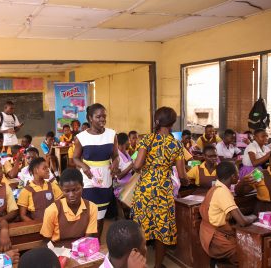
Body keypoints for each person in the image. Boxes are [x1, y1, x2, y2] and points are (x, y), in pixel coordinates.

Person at [131, 106, 188, 268]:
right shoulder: (176, 145)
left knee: (141, 229)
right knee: (161, 230)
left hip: (145, 189)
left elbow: (137, 165)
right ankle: (157, 266)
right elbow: (183, 175)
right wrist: (186, 182)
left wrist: (141, 167)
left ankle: (140, 265)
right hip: (163, 191)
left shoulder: (147, 139)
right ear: (172, 123)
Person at [73, 103, 119, 238]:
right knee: (89, 214)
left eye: (104, 116)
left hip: (105, 179)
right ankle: (86, 244)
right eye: (98, 117)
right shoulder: (81, 137)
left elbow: (115, 155)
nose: (102, 119)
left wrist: (115, 162)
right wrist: (84, 166)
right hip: (89, 179)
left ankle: (96, 246)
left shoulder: (112, 134)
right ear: (90, 118)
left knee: (100, 217)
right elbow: (75, 158)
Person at [199, 161, 257, 266]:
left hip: (211, 231)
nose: (239, 175)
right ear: (233, 176)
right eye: (237, 173)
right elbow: (243, 221)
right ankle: (220, 264)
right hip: (215, 238)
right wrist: (254, 216)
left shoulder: (216, 187)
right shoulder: (223, 192)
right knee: (246, 254)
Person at [40, 168, 98, 242]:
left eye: (75, 190)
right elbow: (46, 240)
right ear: (61, 189)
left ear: (82, 185)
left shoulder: (92, 207)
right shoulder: (52, 210)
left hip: (81, 248)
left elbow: (87, 239)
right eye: (67, 191)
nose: (71, 195)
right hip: (58, 249)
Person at [235, 148, 271, 214]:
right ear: (269, 160)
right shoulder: (259, 174)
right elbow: (240, 193)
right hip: (264, 216)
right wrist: (242, 182)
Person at [114, 133, 134, 199]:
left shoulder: (126, 153)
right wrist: (132, 165)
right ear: (124, 142)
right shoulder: (117, 156)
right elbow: (119, 176)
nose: (130, 142)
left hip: (130, 185)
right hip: (122, 188)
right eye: (128, 140)